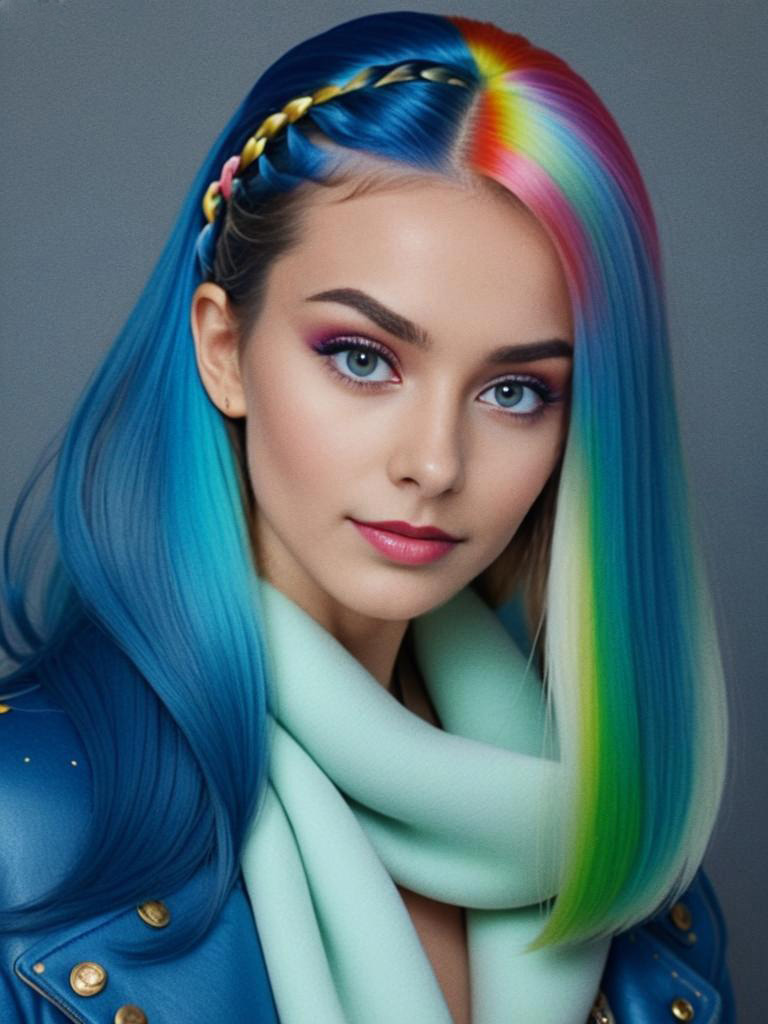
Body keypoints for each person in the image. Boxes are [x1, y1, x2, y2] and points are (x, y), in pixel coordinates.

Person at [0, 10, 734, 1023]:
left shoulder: (621, 851)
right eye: (362, 357)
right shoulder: (23, 829)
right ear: (223, 348)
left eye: (515, 390)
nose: (433, 464)